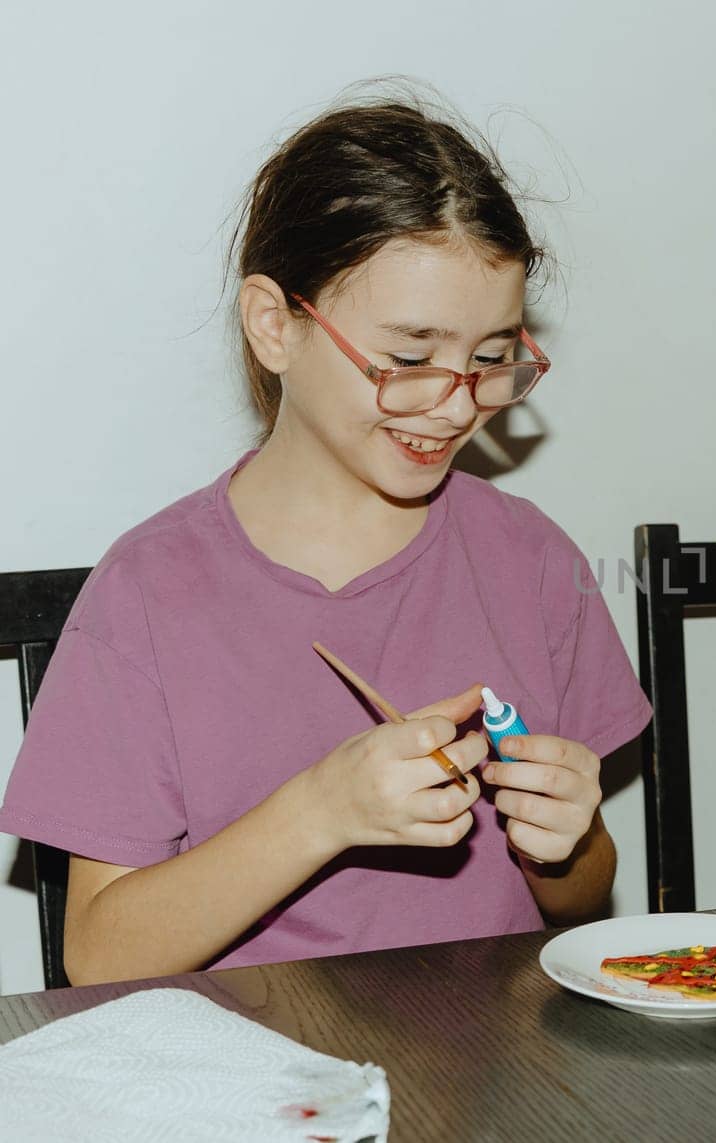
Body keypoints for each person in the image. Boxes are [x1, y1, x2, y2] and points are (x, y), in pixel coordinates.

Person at [0, 95, 651, 984]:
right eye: (410, 356)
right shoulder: (150, 593)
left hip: (497, 1082)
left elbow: (583, 893)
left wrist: (566, 846)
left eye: (491, 357)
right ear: (275, 325)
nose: (456, 404)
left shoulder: (532, 562)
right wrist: (319, 811)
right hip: (252, 1087)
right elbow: (99, 955)